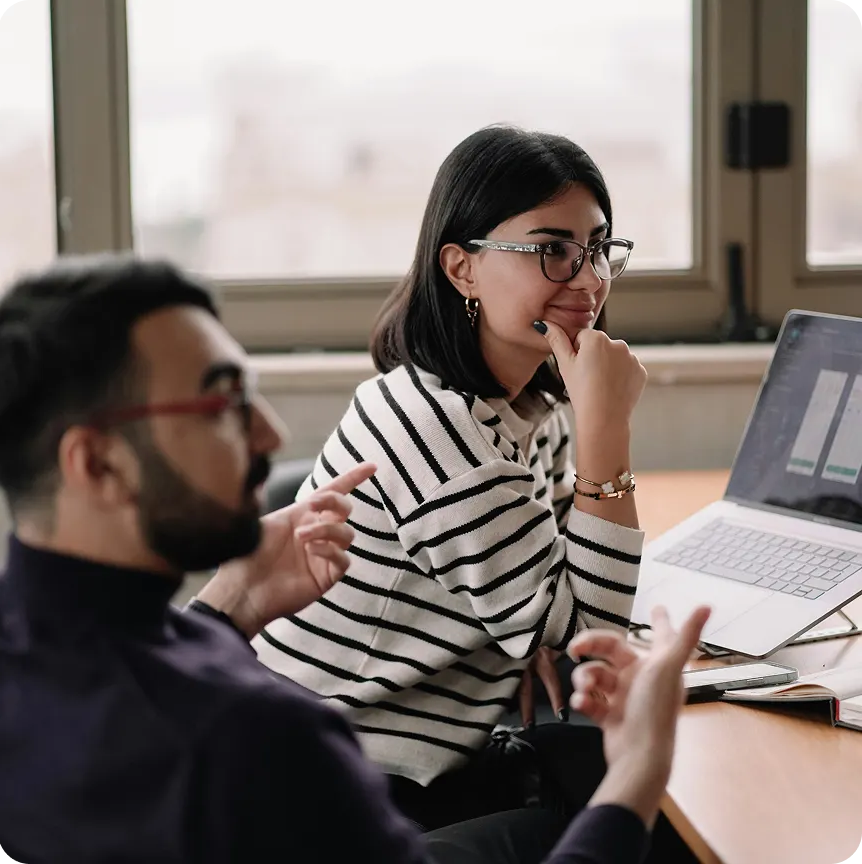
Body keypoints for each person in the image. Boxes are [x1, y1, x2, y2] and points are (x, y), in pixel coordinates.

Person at [0, 254, 708, 864]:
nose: (270, 433)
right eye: (219, 405)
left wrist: (229, 608)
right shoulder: (262, 741)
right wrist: (638, 775)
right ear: (97, 463)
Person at [253, 125, 649, 828]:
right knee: (649, 829)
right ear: (462, 269)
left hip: (400, 765)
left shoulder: (529, 401)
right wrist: (608, 434)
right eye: (551, 250)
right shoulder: (447, 439)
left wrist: (536, 628)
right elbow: (592, 634)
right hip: (335, 797)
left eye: (596, 248)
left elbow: (563, 591)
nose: (590, 279)